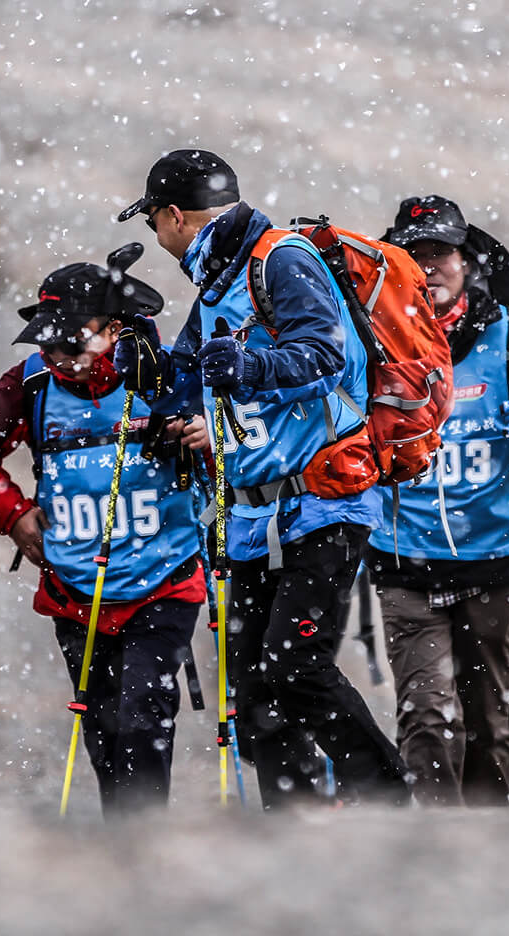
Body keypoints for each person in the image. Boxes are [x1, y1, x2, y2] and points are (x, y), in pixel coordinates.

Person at [118, 148, 410, 807]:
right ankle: (298, 831)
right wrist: (150, 380)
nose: (157, 240)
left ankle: (392, 802)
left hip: (325, 501)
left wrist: (250, 367)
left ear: (173, 217)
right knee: (252, 699)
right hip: (252, 518)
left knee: (295, 666)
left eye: (154, 225)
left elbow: (324, 351)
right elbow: (190, 380)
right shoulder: (219, 283)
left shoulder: (279, 258)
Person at [0, 248, 207, 815]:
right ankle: (121, 851)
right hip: (75, 588)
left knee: (143, 718)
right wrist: (12, 514)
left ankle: (143, 843)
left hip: (164, 580)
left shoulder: (168, 373)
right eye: (47, 343)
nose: (58, 356)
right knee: (105, 728)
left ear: (114, 327)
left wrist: (205, 439)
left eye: (71, 342)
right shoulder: (32, 383)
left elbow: (233, 443)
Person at [362, 196, 509, 806]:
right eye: (414, 256)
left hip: (495, 559)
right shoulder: (370, 341)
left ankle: (491, 844)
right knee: (426, 716)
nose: (429, 268)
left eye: (441, 254)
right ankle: (442, 843)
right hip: (402, 560)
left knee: (485, 715)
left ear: (468, 262)